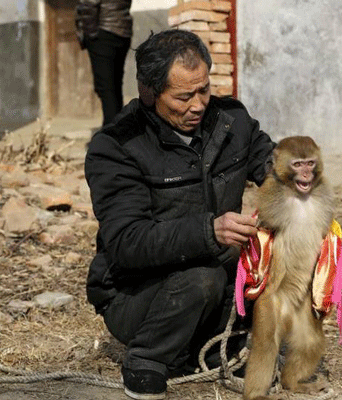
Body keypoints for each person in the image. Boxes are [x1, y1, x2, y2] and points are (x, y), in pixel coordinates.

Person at [84, 29, 275, 400]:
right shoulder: (116, 146)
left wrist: (297, 184)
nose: (199, 104)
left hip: (218, 276)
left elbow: (271, 163)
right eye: (184, 96)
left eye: (203, 89)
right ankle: (147, 360)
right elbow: (127, 243)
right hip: (138, 294)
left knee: (277, 249)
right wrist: (209, 231)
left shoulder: (231, 121)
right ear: (149, 92)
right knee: (200, 278)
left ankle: (227, 346)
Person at [75, 0, 132, 127]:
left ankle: (111, 136)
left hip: (103, 32)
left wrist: (90, 35)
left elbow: (88, 4)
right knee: (114, 87)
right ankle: (117, 130)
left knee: (106, 88)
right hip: (123, 31)